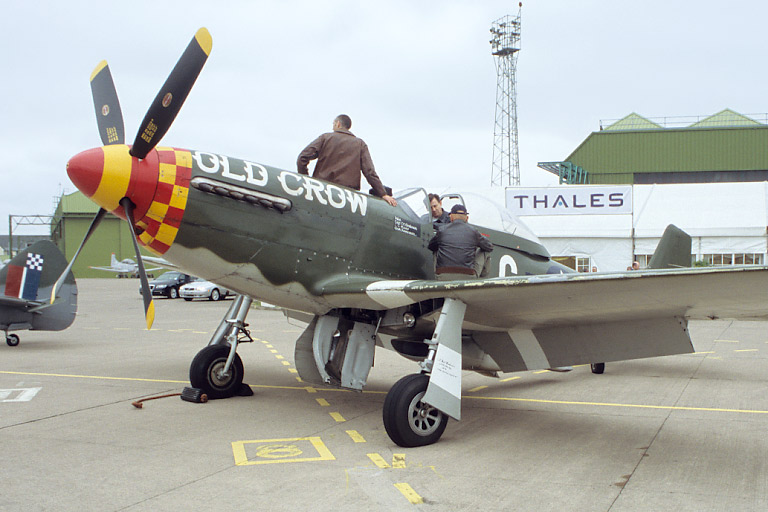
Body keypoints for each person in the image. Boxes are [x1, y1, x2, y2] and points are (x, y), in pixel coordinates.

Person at [297, 114, 397, 206]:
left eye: (333, 124)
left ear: (338, 124)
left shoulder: (325, 138)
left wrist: (307, 181)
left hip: (321, 192)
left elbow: (302, 158)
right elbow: (369, 172)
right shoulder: (360, 144)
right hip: (347, 199)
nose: (333, 127)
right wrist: (383, 194)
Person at [428, 204, 493, 280]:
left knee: (436, 248)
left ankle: (438, 277)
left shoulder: (442, 230)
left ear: (451, 217)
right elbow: (489, 246)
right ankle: (481, 283)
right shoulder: (473, 231)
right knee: (485, 251)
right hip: (468, 276)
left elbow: (430, 246)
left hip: (442, 276)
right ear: (467, 218)